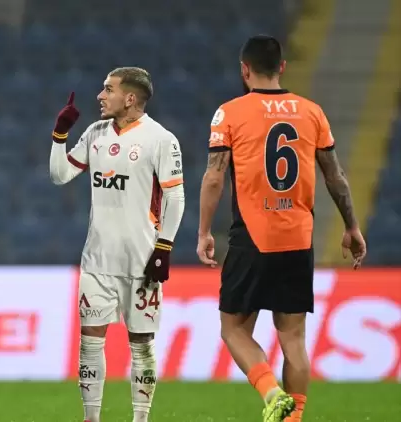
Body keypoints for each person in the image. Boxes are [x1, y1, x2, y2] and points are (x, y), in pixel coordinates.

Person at [197, 35, 367, 422]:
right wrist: (352, 225)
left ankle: (272, 394)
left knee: (233, 329)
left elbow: (214, 177)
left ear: (245, 69)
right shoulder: (312, 112)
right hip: (297, 239)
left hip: (252, 238)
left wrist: (204, 232)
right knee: (293, 338)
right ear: (283, 68)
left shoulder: (229, 113)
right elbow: (335, 176)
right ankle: (294, 418)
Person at [49, 67, 185, 422]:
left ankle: (140, 418)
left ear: (130, 98)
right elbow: (60, 175)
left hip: (141, 260)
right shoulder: (95, 133)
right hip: (97, 260)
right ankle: (91, 418)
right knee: (90, 341)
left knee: (141, 345)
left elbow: (176, 197)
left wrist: (164, 248)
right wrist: (60, 135)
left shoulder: (161, 139)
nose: (100, 95)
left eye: (108, 89)